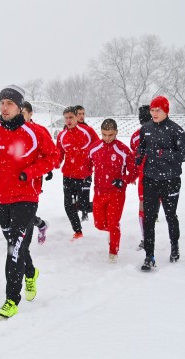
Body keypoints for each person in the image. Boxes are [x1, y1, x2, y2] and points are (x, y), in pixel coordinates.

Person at [0, 85, 58, 318]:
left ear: (19, 107)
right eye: (1, 103)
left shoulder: (36, 133)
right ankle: (31, 272)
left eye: (10, 104)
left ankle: (11, 300)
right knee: (14, 244)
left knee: (13, 248)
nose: (4, 108)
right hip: (0, 197)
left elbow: (53, 157)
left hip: (26, 197)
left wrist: (31, 172)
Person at [136, 96, 185, 271]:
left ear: (166, 111)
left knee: (170, 215)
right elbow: (142, 147)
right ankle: (149, 256)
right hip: (151, 179)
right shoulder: (145, 129)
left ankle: (174, 246)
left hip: (170, 180)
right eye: (152, 110)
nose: (154, 113)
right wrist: (139, 156)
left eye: (157, 110)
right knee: (149, 218)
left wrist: (164, 153)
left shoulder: (176, 130)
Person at [86, 119, 138, 263]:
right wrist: (85, 177)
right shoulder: (94, 148)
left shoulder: (123, 150)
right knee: (99, 224)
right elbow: (87, 165)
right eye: (104, 135)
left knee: (113, 224)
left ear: (116, 133)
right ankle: (112, 231)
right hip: (99, 192)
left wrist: (124, 180)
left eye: (110, 135)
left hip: (116, 193)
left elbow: (134, 171)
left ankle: (113, 252)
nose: (107, 138)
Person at [56, 106, 99, 240]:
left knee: (83, 205)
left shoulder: (87, 131)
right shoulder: (61, 135)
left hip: (84, 175)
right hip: (68, 175)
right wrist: (56, 162)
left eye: (71, 118)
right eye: (66, 118)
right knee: (68, 205)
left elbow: (98, 147)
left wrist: (97, 164)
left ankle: (102, 208)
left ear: (77, 118)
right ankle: (78, 231)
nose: (68, 121)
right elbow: (59, 152)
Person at [21, 101, 55, 245]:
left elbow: (50, 153)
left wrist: (48, 169)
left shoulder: (39, 130)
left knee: (26, 211)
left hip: (33, 178)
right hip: (14, 179)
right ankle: (40, 224)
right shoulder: (10, 130)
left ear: (30, 114)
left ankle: (22, 245)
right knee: (18, 212)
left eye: (23, 114)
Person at [130, 105, 153, 251]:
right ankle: (146, 239)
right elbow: (134, 158)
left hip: (161, 178)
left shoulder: (161, 133)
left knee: (151, 209)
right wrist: (133, 174)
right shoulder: (135, 137)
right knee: (143, 209)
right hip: (144, 179)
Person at [75, 105, 98, 221]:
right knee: (75, 191)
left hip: (86, 165)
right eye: (79, 113)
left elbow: (98, 143)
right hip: (73, 166)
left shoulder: (88, 129)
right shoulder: (68, 128)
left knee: (85, 189)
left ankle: (85, 212)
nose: (81, 116)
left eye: (83, 113)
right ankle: (77, 207)